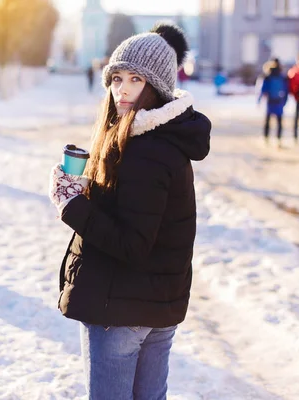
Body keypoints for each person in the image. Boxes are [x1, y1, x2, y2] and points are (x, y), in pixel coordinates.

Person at [48, 23, 211, 399]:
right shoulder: (164, 140)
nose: (122, 88)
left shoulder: (146, 150)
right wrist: (93, 191)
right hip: (155, 309)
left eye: (136, 79)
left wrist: (71, 205)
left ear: (157, 86)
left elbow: (132, 243)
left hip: (120, 312)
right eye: (116, 77)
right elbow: (144, 215)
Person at [258, 58, 289, 148]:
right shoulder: (282, 76)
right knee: (279, 121)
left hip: (270, 101)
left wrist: (259, 100)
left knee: (268, 120)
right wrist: (284, 101)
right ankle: (279, 139)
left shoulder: (268, 76)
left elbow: (263, 89)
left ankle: (266, 138)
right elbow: (286, 89)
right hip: (279, 100)